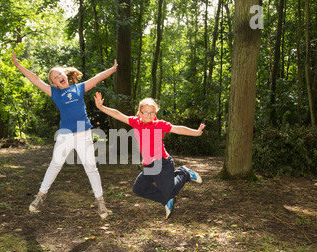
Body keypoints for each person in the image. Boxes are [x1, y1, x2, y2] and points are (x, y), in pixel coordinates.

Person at [12, 51, 117, 219]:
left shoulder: (79, 87)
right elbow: (35, 80)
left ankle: (100, 201)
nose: (59, 76)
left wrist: (112, 70)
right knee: (55, 164)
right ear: (54, 83)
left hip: (84, 132)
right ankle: (40, 196)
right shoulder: (55, 93)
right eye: (55, 77)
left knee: (91, 167)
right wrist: (18, 66)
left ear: (66, 76)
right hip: (66, 134)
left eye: (60, 73)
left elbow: (97, 78)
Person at [93, 92, 205, 219]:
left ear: (155, 113)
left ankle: (185, 173)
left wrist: (196, 132)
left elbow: (178, 129)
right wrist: (101, 107)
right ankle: (166, 200)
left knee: (170, 190)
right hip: (149, 165)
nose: (148, 115)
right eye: (145, 112)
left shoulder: (159, 125)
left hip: (163, 163)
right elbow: (118, 115)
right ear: (139, 113)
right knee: (139, 189)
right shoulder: (136, 123)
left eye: (152, 112)